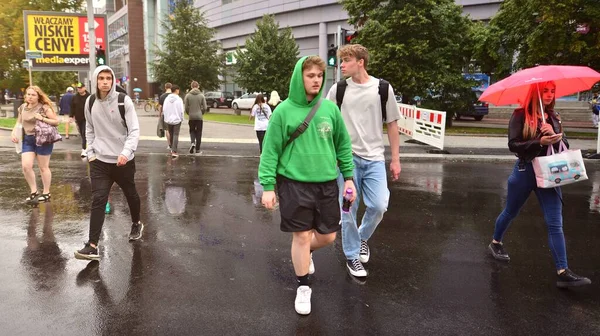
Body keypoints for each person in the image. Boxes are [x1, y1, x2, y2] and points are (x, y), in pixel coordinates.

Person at [259, 56, 356, 315]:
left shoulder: (330, 110)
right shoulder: (283, 111)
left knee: (328, 235)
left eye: (319, 76)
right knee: (301, 235)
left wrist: (348, 177)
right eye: (310, 75)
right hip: (293, 184)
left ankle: (305, 253)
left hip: (325, 183)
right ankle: (303, 285)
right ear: (298, 78)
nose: (316, 80)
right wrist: (268, 185)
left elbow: (343, 146)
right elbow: (270, 151)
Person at [488, 81, 592, 288]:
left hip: (551, 173)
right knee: (510, 211)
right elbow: (513, 145)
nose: (549, 94)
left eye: (552, 91)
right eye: (545, 91)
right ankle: (495, 243)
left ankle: (563, 271)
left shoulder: (553, 116)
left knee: (555, 222)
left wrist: (554, 134)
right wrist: (539, 141)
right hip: (526, 171)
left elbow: (565, 145)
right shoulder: (519, 115)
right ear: (535, 94)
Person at [326, 44, 401, 278]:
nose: (342, 65)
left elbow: (392, 124)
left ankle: (362, 238)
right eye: (341, 61)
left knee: (379, 205)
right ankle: (351, 256)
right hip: (346, 162)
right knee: (347, 209)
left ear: (361, 61)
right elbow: (326, 120)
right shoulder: (338, 90)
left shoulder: (382, 88)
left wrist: (396, 159)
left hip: (375, 158)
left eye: (347, 60)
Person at [74, 65, 143, 260]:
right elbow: (89, 128)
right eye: (101, 78)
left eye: (108, 78)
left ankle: (136, 222)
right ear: (95, 80)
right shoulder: (90, 102)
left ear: (113, 80)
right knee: (98, 200)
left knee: (131, 194)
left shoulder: (124, 101)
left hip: (123, 161)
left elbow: (134, 130)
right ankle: (93, 245)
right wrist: (90, 152)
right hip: (100, 161)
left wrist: (126, 152)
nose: (105, 81)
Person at [10, 86, 60, 204]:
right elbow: (19, 122)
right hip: (28, 140)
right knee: (26, 166)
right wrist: (13, 133)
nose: (30, 97)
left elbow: (56, 122)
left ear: (38, 96)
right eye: (28, 94)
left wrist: (42, 118)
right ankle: (34, 191)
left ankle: (46, 192)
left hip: (43, 139)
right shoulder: (22, 107)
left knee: (43, 167)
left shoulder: (44, 107)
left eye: (33, 95)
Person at [184, 81, 207, 154]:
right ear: (198, 86)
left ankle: (192, 142)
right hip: (199, 116)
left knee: (192, 130)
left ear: (191, 86)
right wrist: (201, 112)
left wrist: (189, 113)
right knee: (199, 132)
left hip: (191, 116)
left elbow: (186, 107)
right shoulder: (201, 95)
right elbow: (205, 107)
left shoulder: (187, 96)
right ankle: (198, 149)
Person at [162, 85, 184, 158]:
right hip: (177, 119)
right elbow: (181, 110)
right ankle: (174, 151)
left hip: (168, 119)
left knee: (171, 134)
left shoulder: (167, 99)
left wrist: (166, 118)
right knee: (175, 135)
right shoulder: (179, 99)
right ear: (177, 90)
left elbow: (164, 109)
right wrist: (182, 118)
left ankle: (172, 148)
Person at [70, 82, 91, 157]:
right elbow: (72, 107)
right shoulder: (75, 97)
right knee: (82, 134)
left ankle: (84, 149)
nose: (79, 89)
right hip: (78, 118)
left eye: (81, 88)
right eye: (78, 88)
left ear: (84, 88)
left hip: (87, 118)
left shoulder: (89, 97)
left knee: (85, 132)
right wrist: (71, 116)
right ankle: (87, 147)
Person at [158, 83, 173, 151]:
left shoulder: (162, 96)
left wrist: (160, 114)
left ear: (165, 87)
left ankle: (169, 144)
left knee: (167, 130)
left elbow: (160, 106)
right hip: (173, 114)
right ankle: (174, 143)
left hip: (165, 114)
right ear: (171, 87)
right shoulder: (174, 95)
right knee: (173, 130)